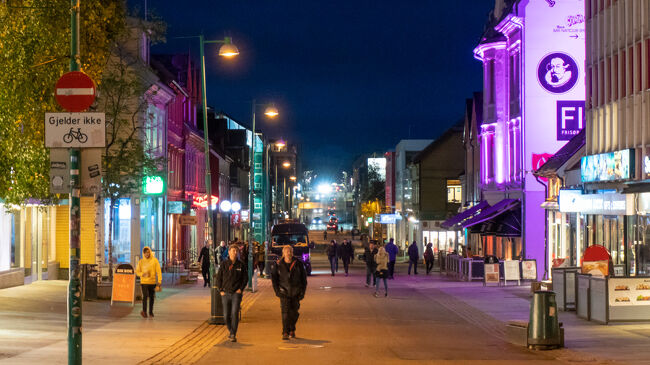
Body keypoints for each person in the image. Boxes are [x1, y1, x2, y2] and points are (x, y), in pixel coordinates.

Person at [271, 245, 308, 340]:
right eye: (287, 251)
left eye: (290, 251)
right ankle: (285, 332)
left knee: (294, 313)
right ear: (283, 253)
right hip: (283, 292)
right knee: (285, 313)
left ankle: (292, 328)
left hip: (296, 292)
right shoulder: (278, 264)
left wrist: (302, 292)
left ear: (292, 252)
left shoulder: (298, 263)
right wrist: (277, 291)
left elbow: (304, 279)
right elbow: (274, 279)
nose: (288, 253)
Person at [215, 245, 248, 342]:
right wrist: (220, 290)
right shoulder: (224, 264)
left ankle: (233, 334)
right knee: (226, 315)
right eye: (233, 251)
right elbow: (219, 278)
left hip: (236, 293)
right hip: (225, 293)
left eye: (236, 251)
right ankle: (231, 331)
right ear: (229, 252)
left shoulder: (241, 265)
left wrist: (240, 289)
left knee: (234, 313)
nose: (235, 253)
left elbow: (245, 278)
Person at [135, 246, 162, 318]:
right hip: (144, 282)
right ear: (143, 253)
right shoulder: (141, 261)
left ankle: (150, 312)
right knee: (144, 296)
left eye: (148, 252)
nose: (147, 254)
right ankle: (144, 311)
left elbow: (159, 271)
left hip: (152, 282)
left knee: (151, 297)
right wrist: (142, 274)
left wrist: (159, 281)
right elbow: (137, 271)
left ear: (150, 252)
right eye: (145, 253)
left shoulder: (154, 260)